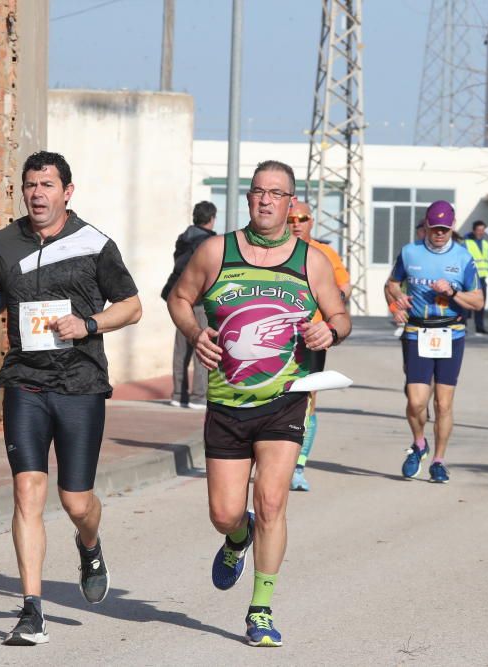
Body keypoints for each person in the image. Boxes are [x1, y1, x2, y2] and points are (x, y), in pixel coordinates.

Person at [167, 160, 351, 647]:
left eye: (276, 193)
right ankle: (236, 538)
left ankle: (261, 609)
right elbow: (179, 298)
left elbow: (340, 316)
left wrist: (327, 329)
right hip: (227, 403)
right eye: (258, 192)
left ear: (291, 204)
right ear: (248, 199)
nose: (266, 200)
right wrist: (194, 331)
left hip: (284, 398)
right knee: (225, 513)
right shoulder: (215, 251)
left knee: (271, 501)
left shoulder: (311, 261)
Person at [0, 151, 142, 646]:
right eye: (30, 185)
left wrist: (88, 324)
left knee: (76, 500)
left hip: (80, 383)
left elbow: (131, 306)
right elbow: (3, 295)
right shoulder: (2, 243)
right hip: (24, 380)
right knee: (27, 492)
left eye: (47, 185)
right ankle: (31, 610)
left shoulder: (95, 243)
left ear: (68, 191)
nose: (37, 193)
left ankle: (89, 545)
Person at [385, 200, 483, 484]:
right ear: (426, 225)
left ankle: (439, 461)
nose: (439, 233)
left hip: (451, 332)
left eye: (444, 229)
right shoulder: (409, 252)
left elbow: (478, 301)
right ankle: (419, 443)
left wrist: (452, 291)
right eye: (435, 228)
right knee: (416, 402)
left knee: (443, 403)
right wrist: (396, 303)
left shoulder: (463, 258)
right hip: (417, 332)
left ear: (452, 228)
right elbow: (391, 284)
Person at [284, 201, 351, 492]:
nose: (296, 223)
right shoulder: (274, 252)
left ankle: (298, 465)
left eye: (303, 218)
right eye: (291, 218)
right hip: (278, 337)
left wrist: (329, 306)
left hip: (312, 338)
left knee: (307, 400)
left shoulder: (324, 253)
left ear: (312, 222)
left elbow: (344, 286)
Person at [161, 201, 217, 409]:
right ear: (212, 218)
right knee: (202, 345)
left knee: (180, 348)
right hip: (201, 300)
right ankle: (199, 396)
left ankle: (178, 394)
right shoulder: (210, 242)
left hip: (179, 298)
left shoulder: (183, 239)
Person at [465, 220, 488, 335]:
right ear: (474, 231)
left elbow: (484, 260)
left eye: (483, 230)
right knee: (466, 304)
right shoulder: (467, 242)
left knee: (480, 304)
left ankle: (479, 327)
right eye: (479, 230)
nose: (481, 232)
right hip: (470, 278)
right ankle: (463, 325)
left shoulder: (485, 244)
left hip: (482, 279)